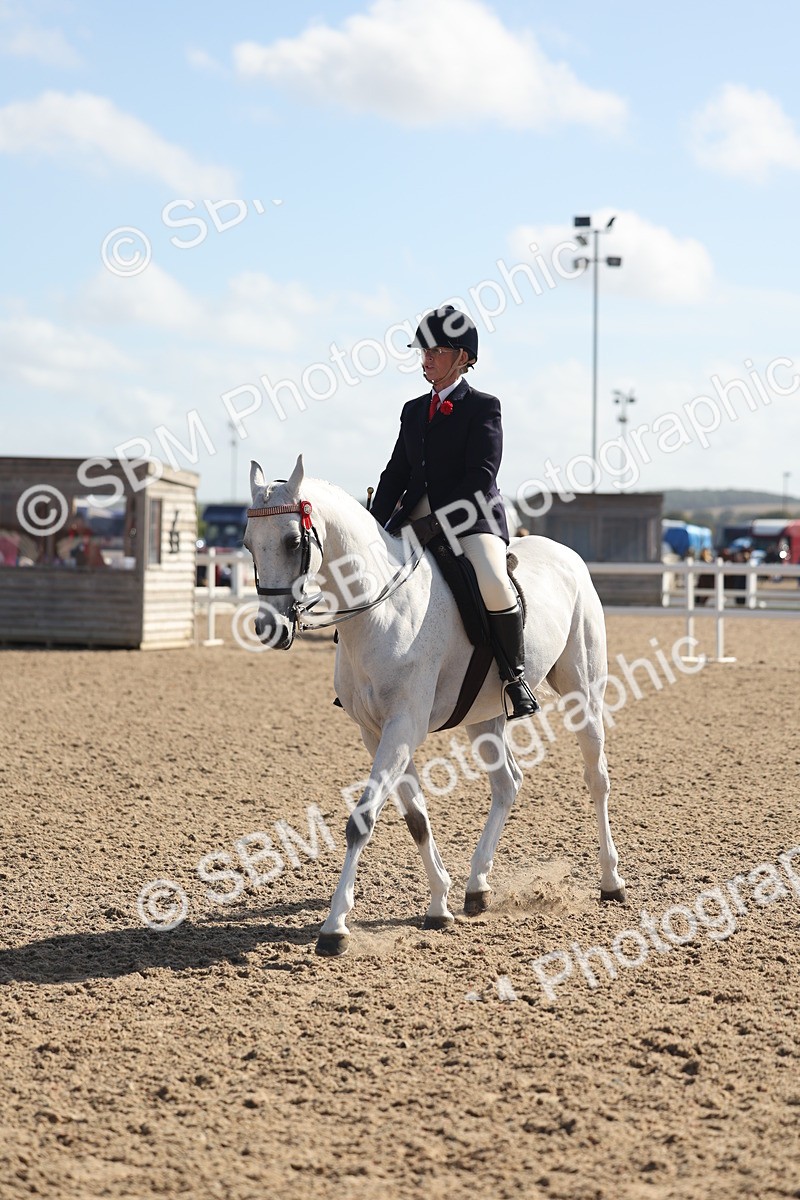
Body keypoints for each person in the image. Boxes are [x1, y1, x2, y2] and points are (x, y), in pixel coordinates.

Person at [370, 304, 537, 720]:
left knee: (495, 580)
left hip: (471, 517)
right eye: (422, 351)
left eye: (436, 351)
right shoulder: (412, 410)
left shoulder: (483, 406)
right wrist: (374, 525)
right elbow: (396, 473)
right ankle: (361, 674)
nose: (425, 359)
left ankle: (514, 677)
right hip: (415, 516)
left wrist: (437, 522)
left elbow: (481, 476)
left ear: (463, 358)